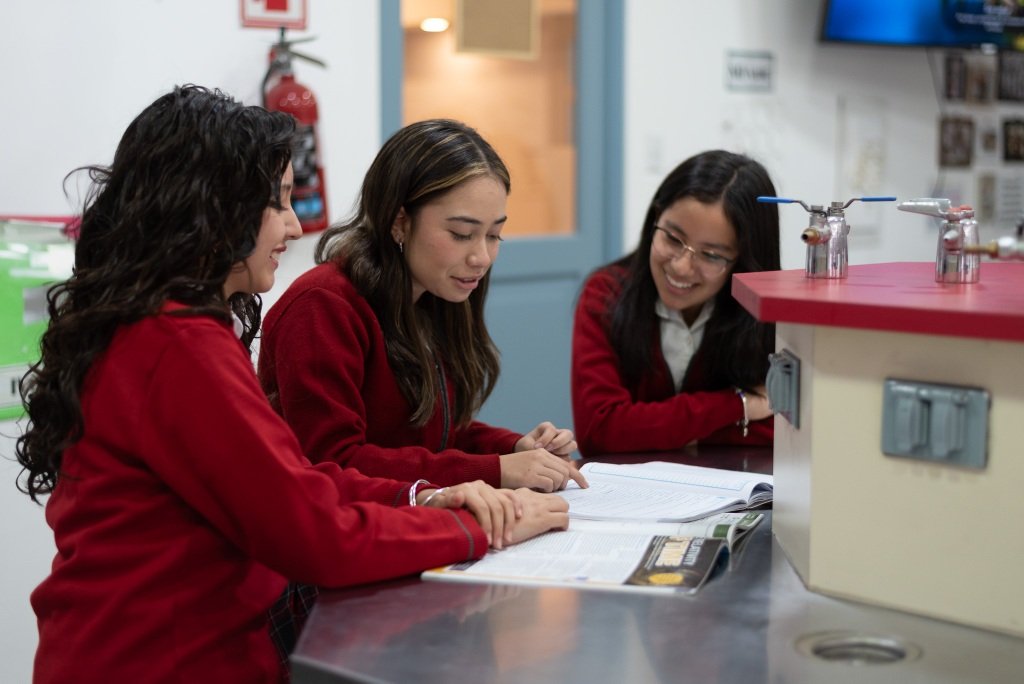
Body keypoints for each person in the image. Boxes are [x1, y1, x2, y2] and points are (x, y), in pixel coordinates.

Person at [15, 85, 568, 684]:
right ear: (212, 210)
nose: (294, 225)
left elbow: (296, 483)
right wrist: (474, 524)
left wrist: (428, 497)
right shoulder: (178, 346)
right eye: (278, 203)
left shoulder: (162, 326)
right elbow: (313, 533)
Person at [258, 119, 588, 493]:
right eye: (461, 234)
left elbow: (433, 434)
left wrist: (513, 448)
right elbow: (336, 462)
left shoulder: (436, 291)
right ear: (400, 221)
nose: (482, 256)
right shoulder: (322, 306)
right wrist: (497, 469)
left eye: (494, 234)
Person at [571, 150, 780, 455]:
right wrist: (739, 404)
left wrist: (666, 430)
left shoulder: (768, 309)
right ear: (655, 219)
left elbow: (789, 429)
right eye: (672, 237)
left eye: (711, 255)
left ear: (744, 261)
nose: (681, 267)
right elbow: (600, 431)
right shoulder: (605, 294)